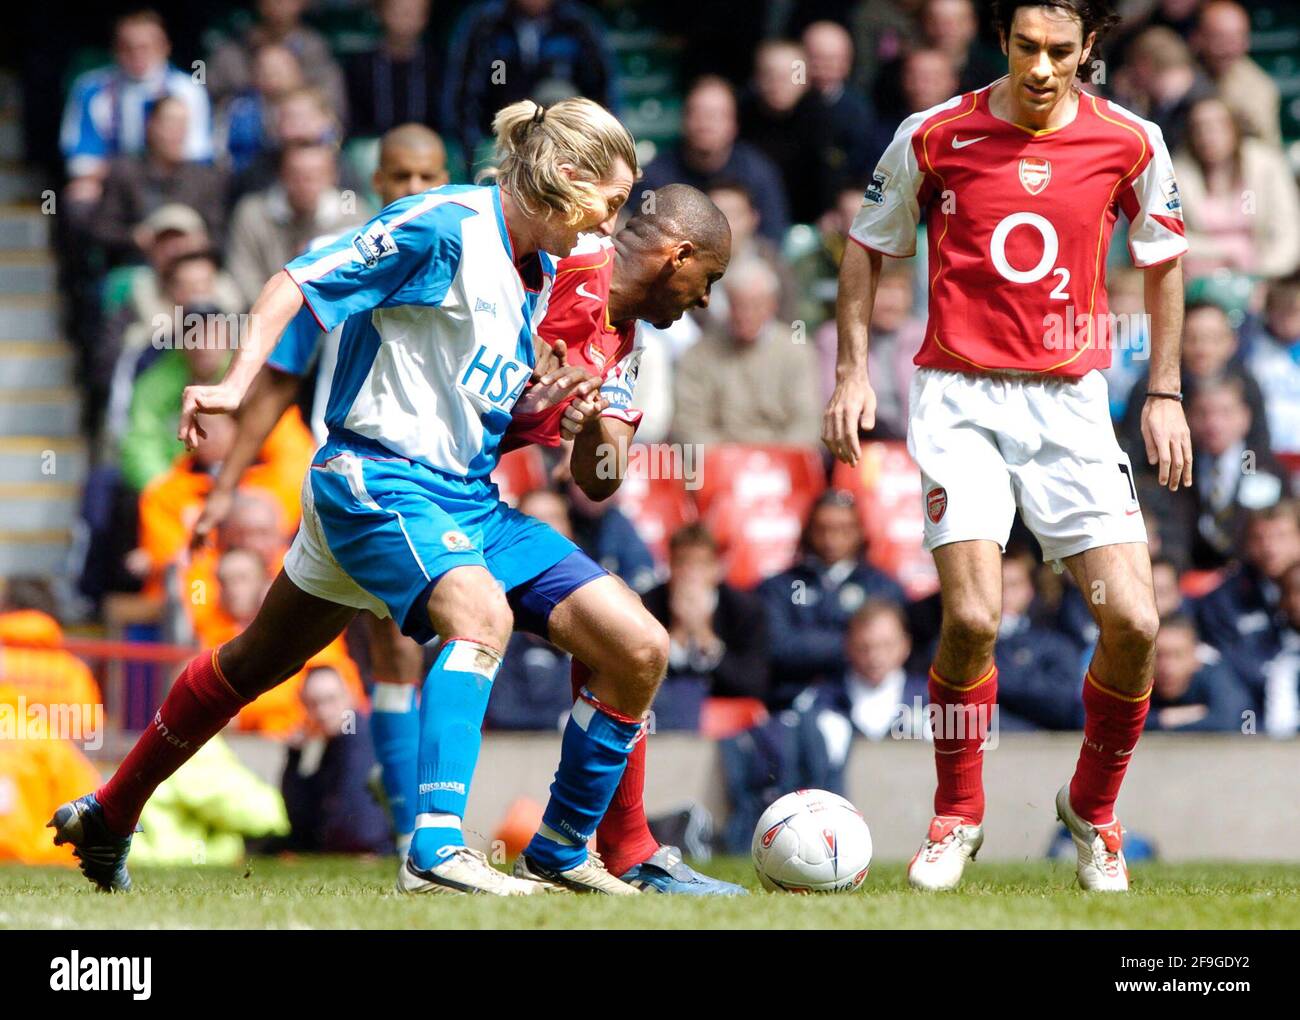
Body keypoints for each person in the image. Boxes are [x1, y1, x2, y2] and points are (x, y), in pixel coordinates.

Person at [51, 97, 642, 898]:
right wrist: (231, 384)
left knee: (635, 646)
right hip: (376, 479)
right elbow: (297, 280)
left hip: (463, 496)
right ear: (568, 179)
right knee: (481, 617)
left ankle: (111, 812)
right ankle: (434, 844)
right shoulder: (447, 225)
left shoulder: (540, 275)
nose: (610, 226)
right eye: (610, 204)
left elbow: (478, 406)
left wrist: (554, 412)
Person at [823, 0, 1191, 893]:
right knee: (975, 619)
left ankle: (1093, 811)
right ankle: (957, 813)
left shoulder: (1132, 141)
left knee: (1136, 625)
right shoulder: (934, 133)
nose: (1040, 67)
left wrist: (1166, 391)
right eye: (1026, 46)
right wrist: (850, 373)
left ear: (1089, 49)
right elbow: (867, 246)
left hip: (1070, 404)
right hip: (960, 398)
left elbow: (1165, 258)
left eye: (1060, 51)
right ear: (1002, 41)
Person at [758, 490, 907, 709]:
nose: (831, 539)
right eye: (822, 529)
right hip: (789, 702)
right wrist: (853, 644)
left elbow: (891, 652)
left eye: (843, 529)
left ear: (859, 531)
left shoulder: (883, 587)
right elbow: (778, 649)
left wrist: (809, 640)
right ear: (808, 531)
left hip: (865, 704)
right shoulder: (779, 587)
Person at [59, 10, 213, 207]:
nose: (137, 56)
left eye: (145, 48)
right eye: (127, 48)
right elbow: (81, 160)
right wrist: (122, 176)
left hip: (172, 182)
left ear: (165, 47)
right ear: (114, 50)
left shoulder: (189, 90)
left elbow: (197, 155)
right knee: (80, 195)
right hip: (112, 184)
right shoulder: (91, 89)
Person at [671, 258, 821, 446]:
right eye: (738, 305)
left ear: (772, 305)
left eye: (755, 305)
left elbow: (807, 422)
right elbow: (688, 422)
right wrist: (728, 457)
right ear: (727, 304)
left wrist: (770, 459)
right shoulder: (699, 353)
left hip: (781, 461)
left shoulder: (797, 352)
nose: (746, 314)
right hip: (719, 463)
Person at [641, 524, 770, 731]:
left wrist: (704, 636)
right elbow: (642, 681)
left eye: (700, 564)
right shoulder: (647, 607)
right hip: (665, 716)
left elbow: (753, 684)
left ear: (716, 569)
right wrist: (678, 634)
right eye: (682, 563)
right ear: (670, 567)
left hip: (724, 714)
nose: (690, 574)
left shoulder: (745, 610)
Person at [637, 76, 790, 244]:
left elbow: (772, 241)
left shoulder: (758, 173)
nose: (705, 123)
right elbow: (638, 240)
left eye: (715, 115)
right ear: (683, 120)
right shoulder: (654, 178)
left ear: (734, 124)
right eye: (697, 113)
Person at [1172, 96, 1300, 282]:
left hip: (1264, 275)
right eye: (1199, 128)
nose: (1208, 135)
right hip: (1198, 279)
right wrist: (1224, 252)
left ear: (1234, 128)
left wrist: (1264, 276)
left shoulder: (1265, 165)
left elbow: (1288, 230)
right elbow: (1170, 238)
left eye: (1217, 126)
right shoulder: (1178, 173)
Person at [1195, 500, 1300, 705]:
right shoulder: (1226, 598)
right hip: (1253, 707)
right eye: (1259, 538)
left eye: (1281, 536)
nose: (1270, 547)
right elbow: (1230, 661)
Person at [280, 666, 393, 854]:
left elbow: (363, 833)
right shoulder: (336, 743)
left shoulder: (356, 733)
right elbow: (300, 823)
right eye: (313, 703)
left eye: (330, 699)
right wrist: (294, 756)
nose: (323, 711)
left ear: (349, 696)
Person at [1191, 0, 1282, 148]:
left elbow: (1266, 149)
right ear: (1199, 38)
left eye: (1236, 39)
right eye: (1219, 38)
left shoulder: (1260, 88)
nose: (1228, 49)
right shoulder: (1182, 71)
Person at [1146, 613, 1252, 732]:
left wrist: (1152, 722)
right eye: (1158, 656)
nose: (1167, 667)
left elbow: (1228, 722)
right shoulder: (1138, 684)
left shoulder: (1217, 678)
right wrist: (1165, 718)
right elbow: (1121, 725)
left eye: (1177, 655)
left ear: (1195, 657)